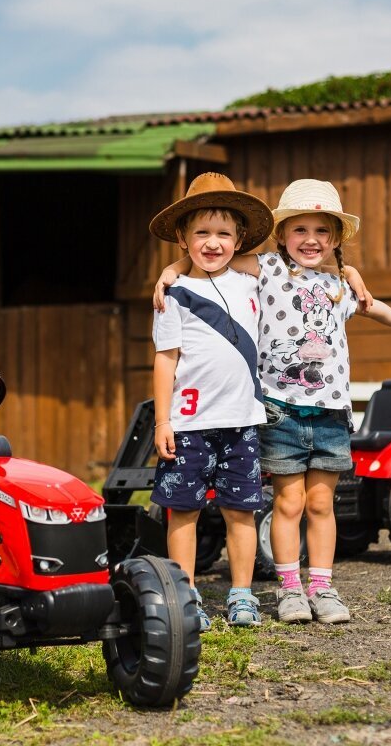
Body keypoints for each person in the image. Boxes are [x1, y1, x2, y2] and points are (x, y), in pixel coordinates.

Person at [155, 178, 391, 625]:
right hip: (279, 407)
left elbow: (368, 304)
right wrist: (173, 268)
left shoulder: (340, 285)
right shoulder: (266, 269)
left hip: (331, 411)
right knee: (288, 503)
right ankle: (289, 588)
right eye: (300, 230)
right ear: (281, 235)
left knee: (322, 504)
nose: (311, 240)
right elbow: (213, 258)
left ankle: (322, 585)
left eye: (322, 232)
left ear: (336, 238)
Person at [148, 172, 274, 631]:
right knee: (183, 510)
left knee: (242, 509)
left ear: (239, 239)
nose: (213, 243)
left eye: (224, 233)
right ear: (182, 238)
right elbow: (166, 361)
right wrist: (163, 421)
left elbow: (305, 270)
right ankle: (187, 596)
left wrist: (352, 273)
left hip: (242, 420)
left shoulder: (251, 280)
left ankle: (242, 595)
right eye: (201, 232)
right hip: (188, 423)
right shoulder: (173, 296)